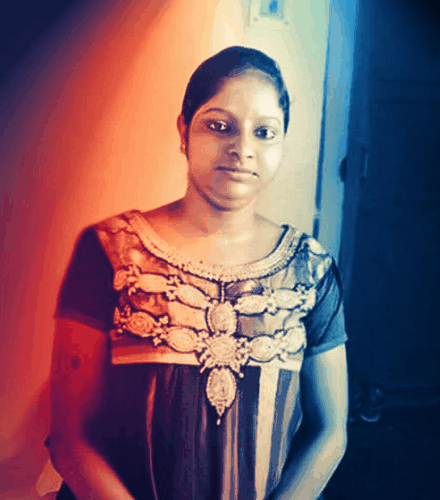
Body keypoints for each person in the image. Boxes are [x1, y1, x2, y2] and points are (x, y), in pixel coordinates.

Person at [48, 46, 348, 500]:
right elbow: (72, 440)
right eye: (219, 125)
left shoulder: (311, 269)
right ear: (183, 129)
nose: (242, 149)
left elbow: (329, 433)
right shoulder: (110, 253)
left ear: (282, 143)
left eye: (264, 132)